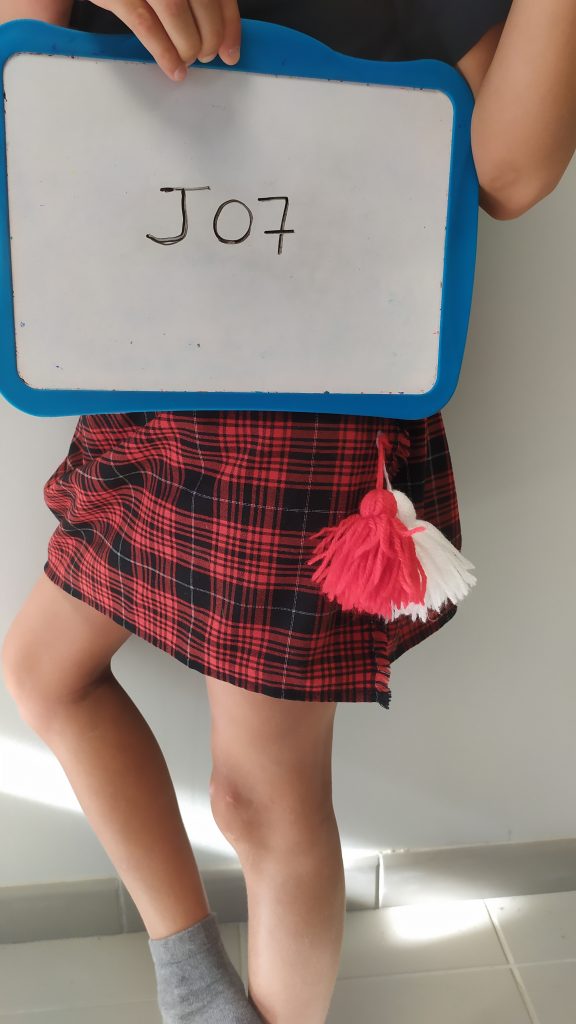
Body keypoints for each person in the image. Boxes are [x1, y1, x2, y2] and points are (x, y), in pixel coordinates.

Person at [2, 2, 574, 1022]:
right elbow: (24, 71)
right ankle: (199, 990)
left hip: (301, 390)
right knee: (47, 674)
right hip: (143, 343)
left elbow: (509, 173)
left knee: (261, 799)